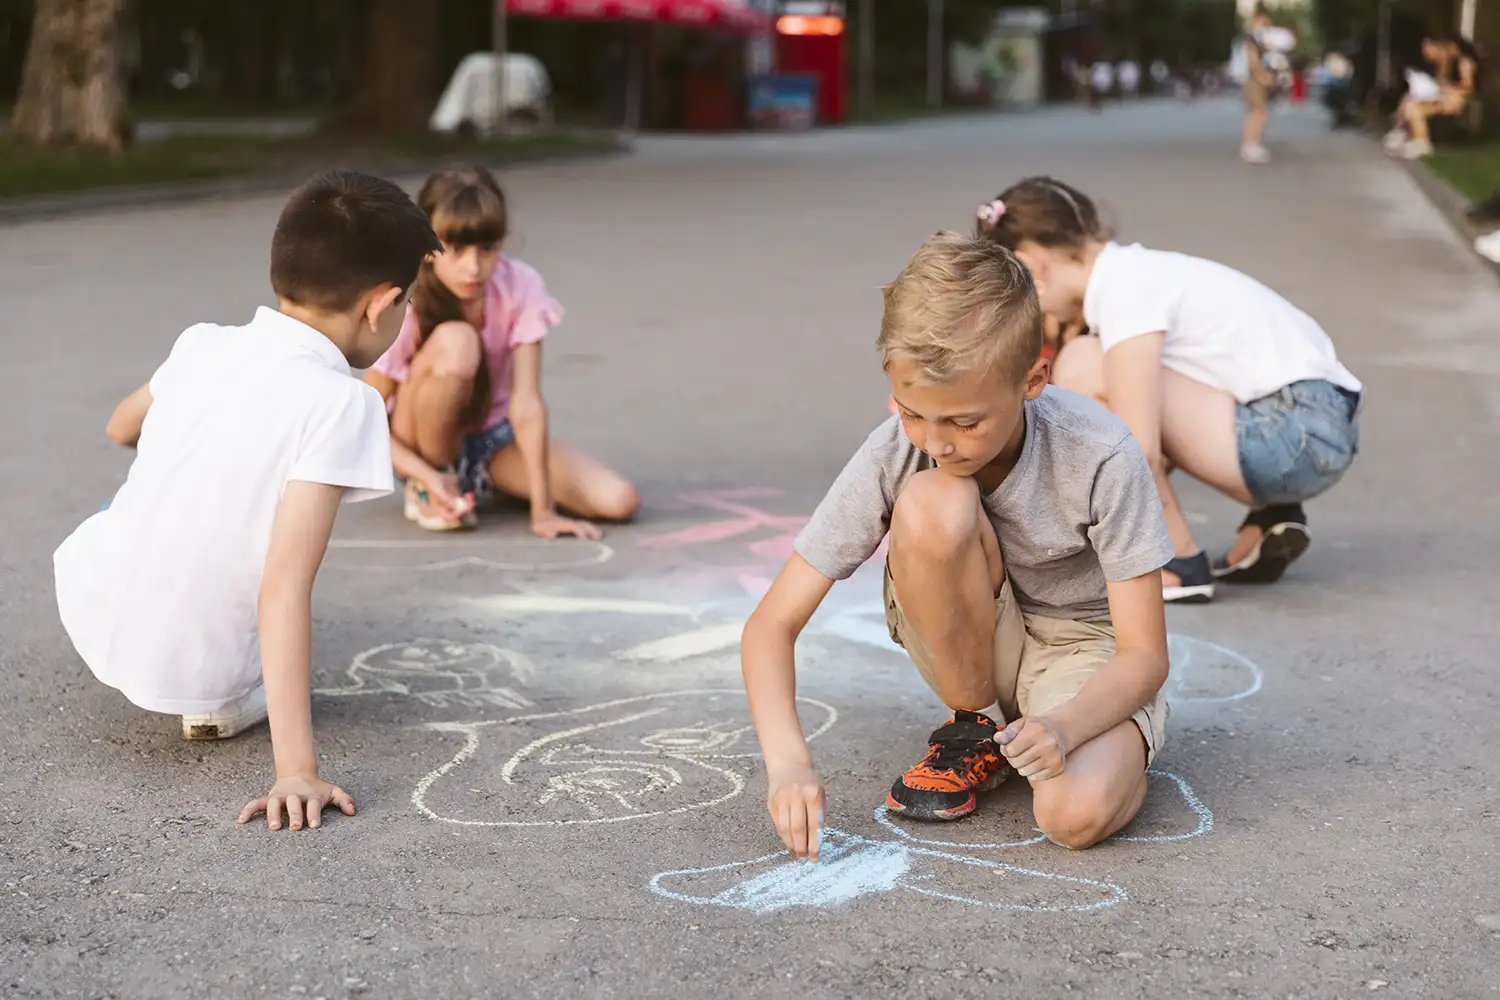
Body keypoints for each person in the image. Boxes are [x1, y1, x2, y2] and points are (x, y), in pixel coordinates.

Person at [742, 232, 1174, 860]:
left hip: (1087, 653)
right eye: (912, 412)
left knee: (1073, 816)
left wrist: (1065, 727)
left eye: (966, 422)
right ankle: (976, 727)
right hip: (987, 644)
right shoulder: (901, 448)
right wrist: (787, 765)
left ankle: (1120, 751)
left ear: (1034, 380)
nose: (936, 441)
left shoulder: (1100, 452)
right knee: (930, 500)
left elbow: (1143, 655)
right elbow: (771, 625)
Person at [53, 169, 442, 831]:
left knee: (130, 512)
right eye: (406, 307)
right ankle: (222, 693)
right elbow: (284, 587)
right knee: (259, 573)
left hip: (90, 609)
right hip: (197, 670)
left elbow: (122, 426)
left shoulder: (203, 341)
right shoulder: (343, 402)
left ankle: (176, 637)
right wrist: (296, 770)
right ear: (381, 305)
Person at [977, 177, 1362, 603]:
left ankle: (1176, 561)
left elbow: (1139, 446)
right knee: (1120, 378)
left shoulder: (1124, 291)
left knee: (1083, 365)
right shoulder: (1144, 271)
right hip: (1316, 423)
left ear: (1034, 269)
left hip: (1292, 435)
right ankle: (1272, 514)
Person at [364, 165, 639, 537]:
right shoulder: (406, 300)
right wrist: (426, 474)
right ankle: (435, 486)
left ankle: (487, 481)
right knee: (458, 341)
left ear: (503, 241)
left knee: (619, 501)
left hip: (493, 441)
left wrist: (544, 510)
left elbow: (526, 403)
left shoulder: (519, 285)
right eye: (456, 250)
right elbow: (366, 418)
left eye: (487, 249)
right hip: (419, 444)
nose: (473, 267)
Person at [1382, 35, 1479, 160]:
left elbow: (1467, 89)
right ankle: (1410, 136)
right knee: (1410, 102)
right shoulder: (1444, 62)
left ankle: (1419, 141)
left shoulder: (1464, 61)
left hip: (1455, 100)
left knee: (1413, 105)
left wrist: (1450, 91)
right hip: (1443, 97)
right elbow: (1441, 82)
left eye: (1429, 48)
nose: (1426, 52)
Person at [1238, 7, 1279, 163]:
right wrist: (1263, 79)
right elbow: (1253, 64)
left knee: (1257, 113)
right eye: (1262, 21)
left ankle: (1252, 144)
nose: (1265, 24)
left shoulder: (1258, 41)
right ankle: (1250, 146)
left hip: (1256, 80)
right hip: (1255, 81)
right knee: (1257, 113)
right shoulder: (1251, 40)